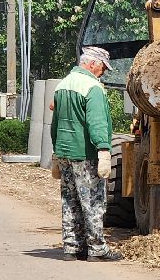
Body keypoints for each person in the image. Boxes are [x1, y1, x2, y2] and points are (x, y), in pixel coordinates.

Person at [51, 46, 120, 261]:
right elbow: (97, 122)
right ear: (92, 64)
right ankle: (97, 249)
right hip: (85, 154)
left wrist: (56, 151)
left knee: (70, 200)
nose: (103, 73)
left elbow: (56, 123)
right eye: (103, 69)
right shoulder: (92, 87)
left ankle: (72, 248)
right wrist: (104, 151)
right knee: (93, 201)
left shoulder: (62, 85)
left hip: (64, 152)